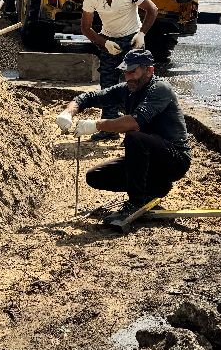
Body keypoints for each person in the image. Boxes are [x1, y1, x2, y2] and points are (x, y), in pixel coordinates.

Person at [56, 48, 191, 229]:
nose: (128, 77)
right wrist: (68, 112)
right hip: (149, 160)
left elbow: (133, 122)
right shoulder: (127, 89)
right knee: (95, 176)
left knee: (134, 137)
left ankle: (136, 202)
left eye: (133, 72)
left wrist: (97, 125)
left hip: (175, 159)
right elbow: (88, 97)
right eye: (125, 72)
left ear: (149, 70)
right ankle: (155, 187)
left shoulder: (160, 89)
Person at [80, 0, 157, 139]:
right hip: (109, 39)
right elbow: (85, 28)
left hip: (132, 38)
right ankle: (109, 128)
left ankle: (138, 130)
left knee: (137, 82)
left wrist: (141, 34)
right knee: (108, 83)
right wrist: (104, 43)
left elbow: (152, 9)